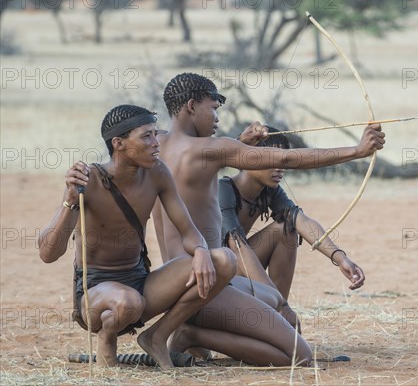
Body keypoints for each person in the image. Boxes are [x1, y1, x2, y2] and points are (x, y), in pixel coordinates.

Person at [153, 72, 385, 363]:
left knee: (276, 300)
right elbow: (285, 159)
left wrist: (339, 257)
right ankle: (192, 335)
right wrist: (357, 150)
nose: (217, 118)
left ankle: (192, 329)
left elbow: (195, 165)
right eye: (213, 108)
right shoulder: (213, 153)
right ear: (191, 106)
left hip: (176, 286)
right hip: (204, 290)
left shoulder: (154, 147)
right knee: (299, 355)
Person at [38, 104, 237, 369]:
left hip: (141, 285)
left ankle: (157, 336)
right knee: (128, 302)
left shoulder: (158, 173)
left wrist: (200, 250)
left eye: (156, 134)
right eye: (147, 136)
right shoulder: (89, 180)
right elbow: (48, 254)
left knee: (224, 261)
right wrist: (70, 202)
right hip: (97, 297)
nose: (157, 143)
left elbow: (189, 232)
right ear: (118, 143)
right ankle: (107, 339)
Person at [219, 126, 366, 331]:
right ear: (248, 159)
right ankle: (277, 314)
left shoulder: (271, 191)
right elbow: (238, 251)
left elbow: (300, 221)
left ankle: (275, 322)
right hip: (216, 279)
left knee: (286, 229)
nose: (280, 168)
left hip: (240, 273)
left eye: (283, 160)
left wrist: (341, 258)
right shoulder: (223, 190)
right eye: (273, 159)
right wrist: (281, 305)